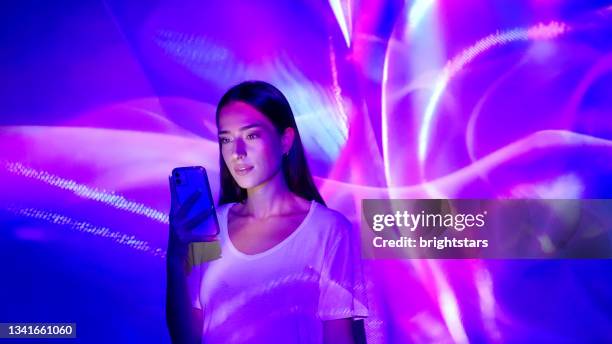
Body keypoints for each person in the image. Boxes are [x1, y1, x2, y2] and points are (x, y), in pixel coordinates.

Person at [166, 81, 368, 343]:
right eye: (226, 139)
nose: (237, 152)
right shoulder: (209, 231)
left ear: (285, 141)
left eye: (251, 136)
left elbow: (340, 339)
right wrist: (175, 257)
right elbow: (187, 339)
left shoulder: (328, 230)